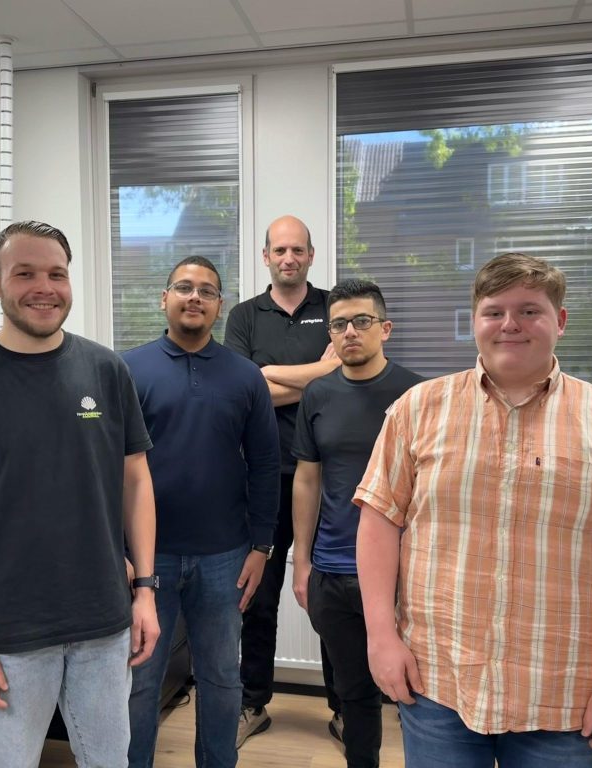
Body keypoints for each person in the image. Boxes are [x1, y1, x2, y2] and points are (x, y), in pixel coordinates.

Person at [354, 252, 592, 768]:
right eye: (494, 311)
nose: (509, 324)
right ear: (475, 321)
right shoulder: (417, 410)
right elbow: (380, 521)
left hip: (566, 698)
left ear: (560, 321)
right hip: (438, 682)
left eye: (529, 311)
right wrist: (381, 637)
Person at [0, 221, 159, 768]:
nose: (44, 287)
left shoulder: (106, 370)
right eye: (25, 274)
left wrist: (145, 590)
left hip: (103, 623)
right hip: (7, 636)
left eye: (56, 274)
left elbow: (136, 482)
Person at [122, 256, 280, 768]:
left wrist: (261, 546)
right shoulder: (126, 370)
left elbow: (265, 464)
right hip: (149, 560)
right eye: (184, 287)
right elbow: (105, 467)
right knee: (139, 681)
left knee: (221, 679)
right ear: (164, 298)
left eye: (207, 291)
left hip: (225, 557)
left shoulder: (245, 376)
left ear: (219, 306)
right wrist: (118, 552)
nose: (195, 297)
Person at [291, 279, 424, 767]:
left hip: (404, 575)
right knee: (355, 696)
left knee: (418, 695)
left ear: (384, 329)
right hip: (333, 573)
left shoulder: (417, 394)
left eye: (361, 321)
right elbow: (307, 479)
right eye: (339, 324)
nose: (350, 331)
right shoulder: (318, 394)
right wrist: (301, 563)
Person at [224, 215, 343, 746]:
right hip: (262, 477)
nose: (288, 258)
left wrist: (269, 374)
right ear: (266, 256)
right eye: (280, 250)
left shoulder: (334, 308)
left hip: (326, 476)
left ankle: (345, 709)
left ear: (311, 255)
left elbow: (345, 375)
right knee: (258, 597)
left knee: (331, 597)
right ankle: (253, 704)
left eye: (298, 250)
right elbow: (241, 392)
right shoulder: (244, 316)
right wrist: (317, 373)